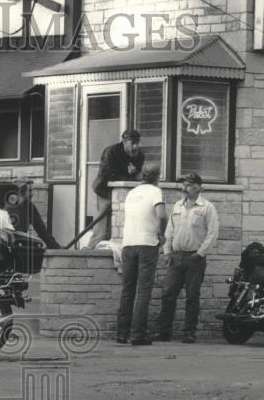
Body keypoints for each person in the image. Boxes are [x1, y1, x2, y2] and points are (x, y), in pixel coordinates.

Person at [156, 172, 219, 344]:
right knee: (168, 294)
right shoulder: (178, 206)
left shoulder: (207, 207)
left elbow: (212, 233)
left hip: (194, 258)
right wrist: (167, 251)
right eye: (184, 184)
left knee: (192, 296)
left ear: (199, 187)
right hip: (176, 257)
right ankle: (164, 332)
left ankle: (189, 333)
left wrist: (200, 253)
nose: (185, 188)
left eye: (189, 185)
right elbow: (169, 230)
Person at [116, 163, 166, 345]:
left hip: (128, 243)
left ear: (142, 175)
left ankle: (122, 333)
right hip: (146, 244)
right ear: (157, 177)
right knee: (143, 290)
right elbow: (161, 215)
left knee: (128, 289)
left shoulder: (132, 193)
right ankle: (138, 334)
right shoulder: (155, 192)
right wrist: (161, 234)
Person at [86, 129, 145, 249]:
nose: (135, 147)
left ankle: (122, 247)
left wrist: (135, 173)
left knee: (124, 221)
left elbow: (138, 174)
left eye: (137, 143)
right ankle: (90, 248)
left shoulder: (140, 155)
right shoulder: (111, 152)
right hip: (105, 191)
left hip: (127, 194)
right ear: (124, 142)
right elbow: (108, 174)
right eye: (132, 143)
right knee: (100, 225)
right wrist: (128, 173)